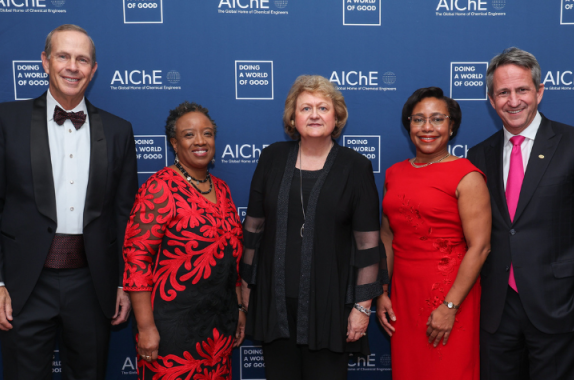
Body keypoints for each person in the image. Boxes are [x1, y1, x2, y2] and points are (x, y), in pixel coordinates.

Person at [0, 24, 138, 379]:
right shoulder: (6, 121)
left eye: (82, 59)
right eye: (63, 56)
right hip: (23, 285)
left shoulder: (119, 130)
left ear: (93, 70)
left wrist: (123, 282)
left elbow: (124, 214)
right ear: (45, 62)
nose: (72, 67)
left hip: (93, 283)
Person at [240, 75, 387, 380]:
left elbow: (369, 246)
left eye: (323, 107)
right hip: (274, 303)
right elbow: (253, 228)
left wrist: (362, 308)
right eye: (305, 108)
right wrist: (245, 287)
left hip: (330, 307)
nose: (315, 115)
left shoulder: (355, 166)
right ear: (293, 117)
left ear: (337, 117)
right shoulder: (272, 157)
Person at [467, 47, 574, 379]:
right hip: (497, 309)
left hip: (556, 304)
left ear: (540, 92)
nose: (513, 101)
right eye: (503, 92)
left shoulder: (570, 144)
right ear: (491, 99)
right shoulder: (478, 155)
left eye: (522, 90)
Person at [123, 101, 245, 379]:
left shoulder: (223, 190)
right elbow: (137, 260)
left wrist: (238, 308)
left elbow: (231, 259)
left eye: (208, 133)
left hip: (218, 328)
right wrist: (145, 327)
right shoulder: (159, 187)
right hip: (170, 331)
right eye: (189, 135)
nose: (200, 141)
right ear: (174, 144)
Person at [376, 87, 491, 379]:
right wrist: (381, 291)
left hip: (450, 295)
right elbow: (387, 238)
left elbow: (480, 247)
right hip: (403, 296)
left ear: (451, 127)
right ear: (409, 126)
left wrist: (450, 306)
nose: (427, 128)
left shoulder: (467, 175)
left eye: (437, 119)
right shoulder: (394, 173)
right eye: (418, 120)